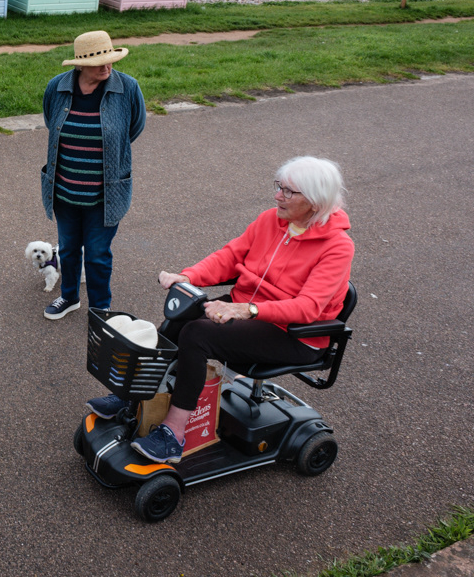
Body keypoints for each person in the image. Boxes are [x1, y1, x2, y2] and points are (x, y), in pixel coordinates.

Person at [89, 156, 354, 464]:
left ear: (314, 201)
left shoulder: (338, 246)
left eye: (288, 192)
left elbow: (308, 308)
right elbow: (230, 256)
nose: (277, 196)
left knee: (197, 334)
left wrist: (247, 310)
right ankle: (130, 397)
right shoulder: (271, 219)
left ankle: (174, 434)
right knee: (182, 316)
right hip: (249, 310)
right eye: (278, 187)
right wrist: (187, 276)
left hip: (294, 335)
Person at [40, 30, 146, 319]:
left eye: (110, 59)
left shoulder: (128, 88)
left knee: (98, 255)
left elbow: (133, 129)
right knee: (70, 250)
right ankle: (69, 297)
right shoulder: (57, 88)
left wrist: (110, 149)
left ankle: (101, 307)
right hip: (64, 191)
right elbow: (53, 124)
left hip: (105, 193)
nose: (107, 66)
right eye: (99, 61)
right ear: (79, 64)